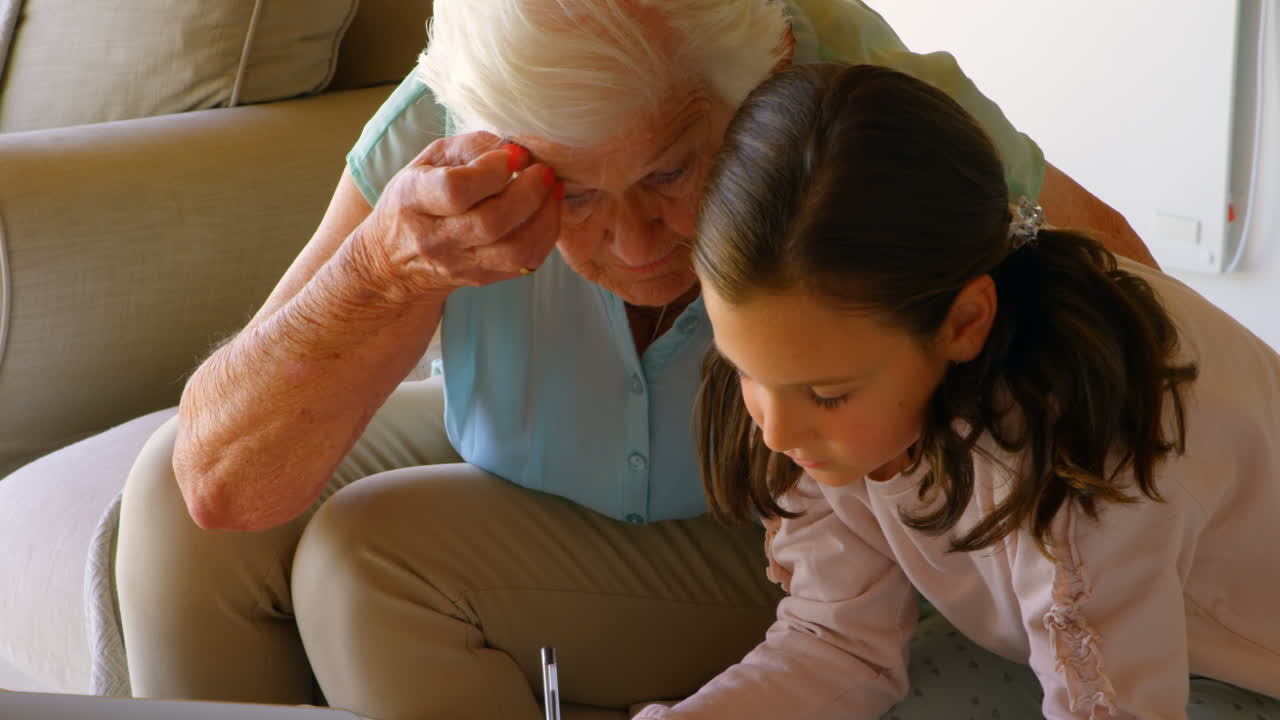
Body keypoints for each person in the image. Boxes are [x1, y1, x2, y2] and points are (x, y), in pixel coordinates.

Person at [114, 2, 1156, 718]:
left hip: (787, 524)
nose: (636, 244)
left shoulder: (850, 89)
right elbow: (219, 478)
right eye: (567, 191)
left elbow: (1128, 309)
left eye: (669, 168)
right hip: (534, 459)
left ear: (769, 74)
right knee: (174, 514)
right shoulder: (450, 114)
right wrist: (384, 272)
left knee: (365, 561)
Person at [653, 62, 1280, 719]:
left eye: (829, 394)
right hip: (1093, 652)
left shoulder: (1084, 441)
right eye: (746, 371)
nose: (776, 433)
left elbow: (1113, 708)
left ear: (964, 323)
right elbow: (838, 642)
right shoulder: (817, 374)